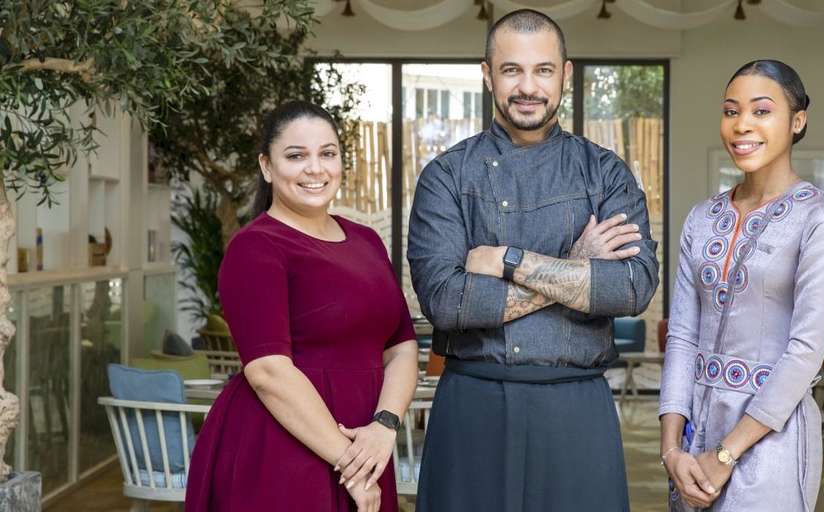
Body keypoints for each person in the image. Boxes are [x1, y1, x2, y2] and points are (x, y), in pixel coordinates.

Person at [407, 8, 660, 512]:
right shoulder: (446, 177)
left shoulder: (605, 173)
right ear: (487, 75)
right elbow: (448, 304)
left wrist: (507, 259)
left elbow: (631, 288)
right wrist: (577, 267)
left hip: (577, 408)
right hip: (472, 406)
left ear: (564, 75)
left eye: (543, 70)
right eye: (511, 70)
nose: (528, 87)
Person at [185, 100, 419, 512]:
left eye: (327, 153)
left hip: (366, 445)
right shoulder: (256, 247)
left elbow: (401, 347)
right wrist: (353, 467)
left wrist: (384, 427)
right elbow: (268, 372)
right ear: (266, 167)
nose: (315, 168)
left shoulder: (366, 241)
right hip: (284, 450)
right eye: (296, 156)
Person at [658, 60, 824, 511]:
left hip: (772, 441)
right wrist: (671, 451)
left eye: (761, 111)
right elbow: (683, 338)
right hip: (692, 439)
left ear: (797, 120)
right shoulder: (702, 218)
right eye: (731, 111)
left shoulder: (820, 219)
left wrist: (726, 454)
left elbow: (805, 352)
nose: (742, 124)